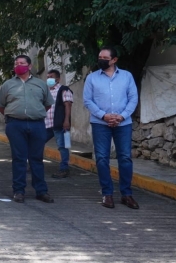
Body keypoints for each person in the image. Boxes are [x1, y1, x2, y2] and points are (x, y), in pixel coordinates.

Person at [84, 46, 139, 209]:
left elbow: (133, 98)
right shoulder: (92, 78)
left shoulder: (127, 76)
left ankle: (126, 194)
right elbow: (88, 100)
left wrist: (121, 116)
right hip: (100, 123)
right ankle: (107, 194)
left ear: (114, 60)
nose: (101, 60)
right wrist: (104, 115)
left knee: (125, 158)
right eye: (99, 56)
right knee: (101, 158)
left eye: (105, 58)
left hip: (123, 123)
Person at [0, 55, 54, 204]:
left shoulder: (40, 84)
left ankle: (41, 191)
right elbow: (1, 106)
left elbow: (47, 104)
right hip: (15, 125)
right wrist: (16, 115)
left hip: (37, 125)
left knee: (37, 158)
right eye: (16, 63)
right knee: (19, 158)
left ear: (29, 66)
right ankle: (19, 191)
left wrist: (34, 113)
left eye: (22, 63)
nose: (18, 65)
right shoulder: (8, 85)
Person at [45, 69, 73, 179]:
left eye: (51, 77)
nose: (48, 79)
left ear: (57, 79)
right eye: (47, 77)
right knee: (36, 143)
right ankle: (33, 165)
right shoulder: (46, 91)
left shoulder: (64, 90)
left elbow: (68, 105)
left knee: (63, 146)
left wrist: (66, 121)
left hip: (60, 124)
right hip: (46, 123)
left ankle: (64, 168)